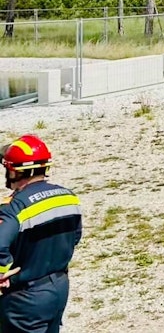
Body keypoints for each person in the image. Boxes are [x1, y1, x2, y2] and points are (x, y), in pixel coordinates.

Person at [0, 135, 82, 333]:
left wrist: (3, 273)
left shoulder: (14, 206)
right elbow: (75, 237)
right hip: (59, 287)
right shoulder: (68, 196)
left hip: (25, 297)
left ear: (13, 171)